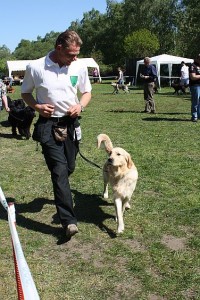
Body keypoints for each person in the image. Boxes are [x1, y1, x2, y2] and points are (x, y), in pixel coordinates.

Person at [21, 30, 92, 238]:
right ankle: (68, 222)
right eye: (71, 54)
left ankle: (61, 191)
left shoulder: (78, 66)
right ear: (58, 48)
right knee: (59, 171)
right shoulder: (35, 67)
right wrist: (37, 106)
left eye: (77, 54)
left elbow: (86, 92)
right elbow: (25, 93)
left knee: (69, 167)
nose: (75, 58)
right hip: (47, 126)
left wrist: (80, 106)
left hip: (70, 125)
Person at [189, 54, 200, 122]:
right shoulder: (192, 66)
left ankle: (199, 115)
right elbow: (193, 77)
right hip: (195, 86)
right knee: (195, 101)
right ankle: (194, 116)